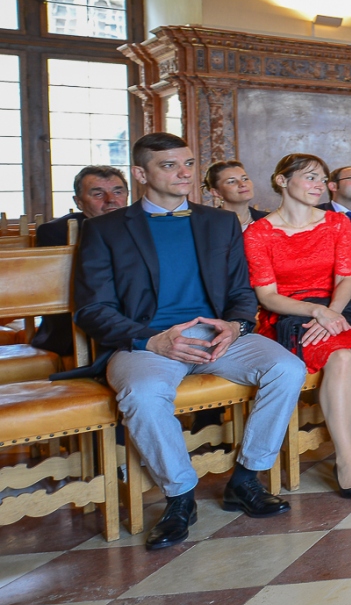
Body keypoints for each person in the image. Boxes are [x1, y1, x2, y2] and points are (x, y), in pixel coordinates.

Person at [73, 133, 306, 549]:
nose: (184, 173)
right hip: (145, 341)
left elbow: (240, 293)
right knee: (143, 395)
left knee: (288, 368)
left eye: (188, 164)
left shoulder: (218, 222)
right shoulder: (105, 230)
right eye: (169, 166)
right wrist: (152, 341)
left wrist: (236, 326)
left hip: (218, 335)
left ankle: (246, 478)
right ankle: (180, 497)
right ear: (141, 173)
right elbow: (92, 310)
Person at [243, 153, 351, 498]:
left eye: (322, 180)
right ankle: (345, 458)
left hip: (337, 307)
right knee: (340, 359)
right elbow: (267, 296)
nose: (318, 185)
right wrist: (315, 313)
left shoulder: (337, 224)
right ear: (282, 180)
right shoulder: (258, 232)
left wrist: (332, 313)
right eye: (310, 177)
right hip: (289, 312)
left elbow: (345, 278)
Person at [31, 165, 129, 358]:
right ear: (79, 202)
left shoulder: (142, 227)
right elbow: (64, 289)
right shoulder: (55, 232)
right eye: (98, 194)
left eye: (118, 192)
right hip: (76, 326)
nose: (111, 200)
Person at [204, 160, 266, 228]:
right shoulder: (208, 224)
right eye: (231, 181)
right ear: (216, 192)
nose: (242, 184)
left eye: (245, 179)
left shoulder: (268, 219)